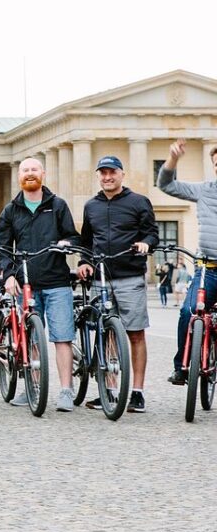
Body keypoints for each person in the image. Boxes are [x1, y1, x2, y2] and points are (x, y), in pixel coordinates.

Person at [0, 157, 80, 412]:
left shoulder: (58, 205)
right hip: (25, 282)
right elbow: (3, 247)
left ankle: (66, 390)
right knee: (30, 338)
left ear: (43, 173)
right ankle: (32, 386)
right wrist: (8, 275)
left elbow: (73, 236)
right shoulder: (11, 210)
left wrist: (66, 244)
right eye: (25, 170)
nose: (29, 174)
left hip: (56, 281)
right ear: (19, 176)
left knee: (62, 337)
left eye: (34, 169)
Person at [76, 156, 158, 413]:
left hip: (130, 276)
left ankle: (137, 392)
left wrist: (147, 243)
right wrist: (83, 261)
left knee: (135, 334)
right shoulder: (91, 206)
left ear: (122, 174)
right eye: (102, 173)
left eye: (112, 172)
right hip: (101, 278)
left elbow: (152, 232)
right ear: (98, 176)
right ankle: (109, 391)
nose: (107, 177)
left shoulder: (138, 202)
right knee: (106, 334)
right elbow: (86, 241)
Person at [158, 138, 217, 385]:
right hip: (208, 268)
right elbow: (166, 185)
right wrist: (173, 159)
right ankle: (182, 367)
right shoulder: (204, 190)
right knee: (188, 311)